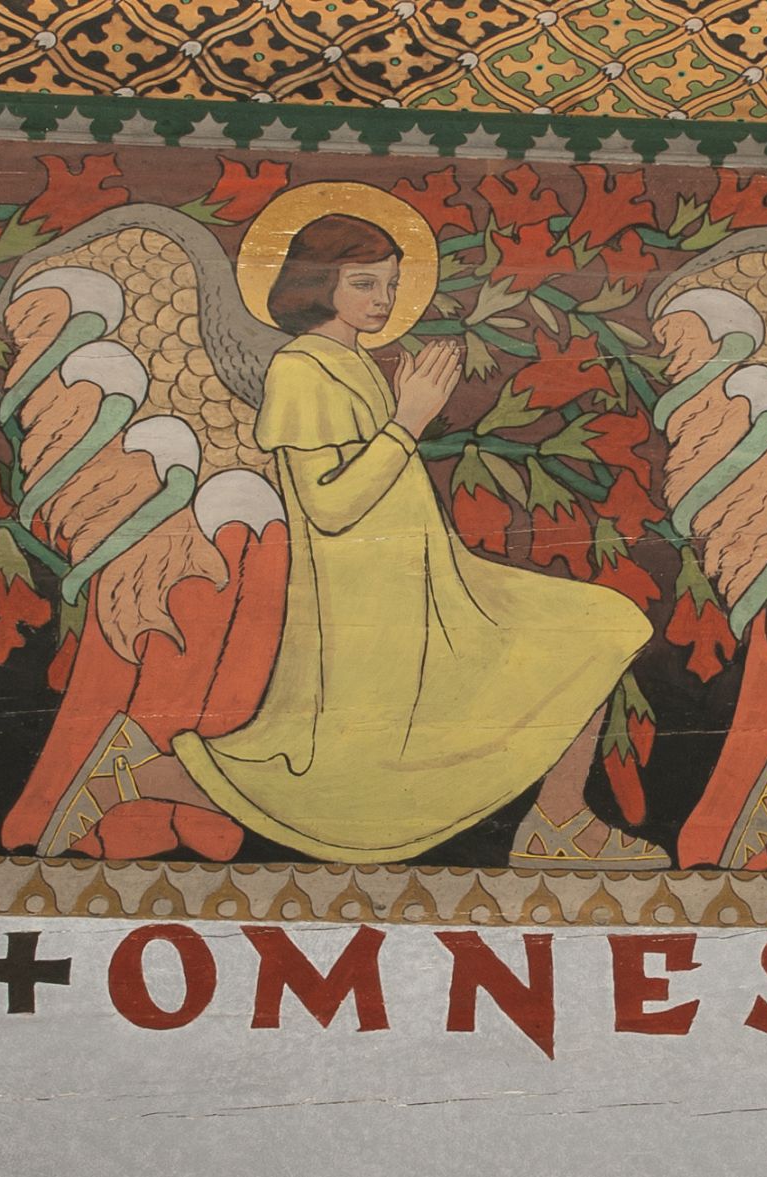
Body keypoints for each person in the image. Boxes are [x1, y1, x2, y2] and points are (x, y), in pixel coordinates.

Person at [168, 213, 661, 866]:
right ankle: (557, 823)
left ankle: (557, 819)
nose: (384, 300)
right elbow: (330, 507)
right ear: (316, 282)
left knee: (603, 624)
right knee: (349, 763)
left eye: (392, 284)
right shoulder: (301, 369)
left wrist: (403, 418)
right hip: (369, 607)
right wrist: (408, 420)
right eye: (364, 283)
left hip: (427, 581)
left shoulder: (350, 361)